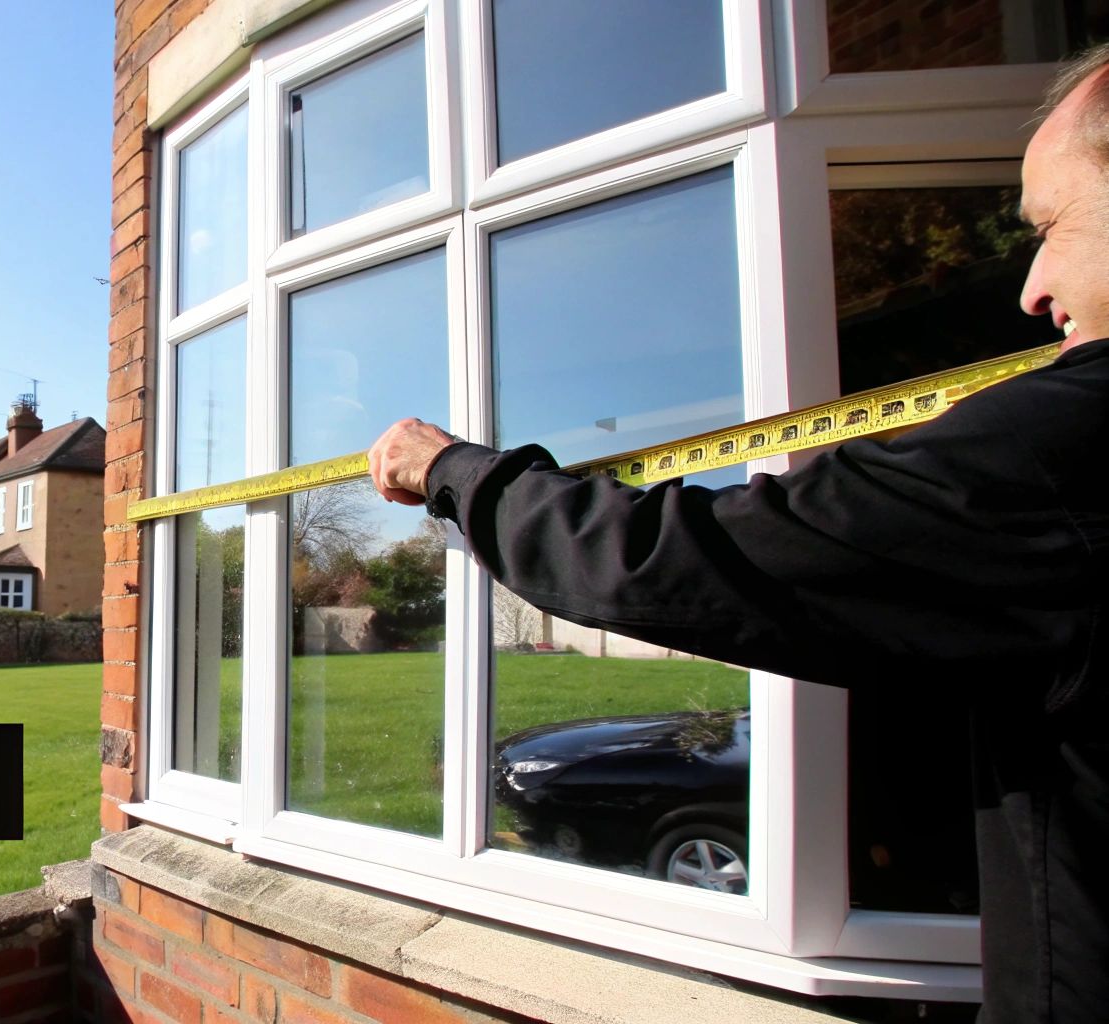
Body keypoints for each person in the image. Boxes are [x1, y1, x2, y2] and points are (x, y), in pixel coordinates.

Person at [366, 46, 1109, 1024]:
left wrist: (456, 471)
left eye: (1047, 227)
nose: (1026, 287)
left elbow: (699, 556)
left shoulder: (1064, 449)